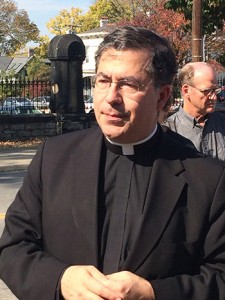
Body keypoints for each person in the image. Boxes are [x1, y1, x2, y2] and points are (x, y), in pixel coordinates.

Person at [1, 26, 225, 300]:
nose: (110, 98)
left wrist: (155, 293)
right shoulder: (53, 158)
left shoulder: (207, 179)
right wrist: (61, 280)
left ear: (163, 96)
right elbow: (13, 248)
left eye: (128, 84)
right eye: (103, 81)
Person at [165, 61, 225, 161]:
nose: (214, 97)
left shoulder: (222, 123)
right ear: (186, 90)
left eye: (215, 90)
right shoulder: (168, 131)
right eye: (206, 91)